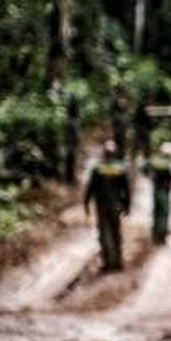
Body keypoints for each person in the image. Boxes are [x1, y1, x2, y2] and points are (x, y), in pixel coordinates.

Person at [85, 141, 130, 271]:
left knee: (105, 233)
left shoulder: (97, 168)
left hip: (102, 206)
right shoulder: (120, 168)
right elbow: (126, 189)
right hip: (116, 206)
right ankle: (118, 261)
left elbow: (90, 188)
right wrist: (127, 205)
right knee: (116, 233)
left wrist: (86, 203)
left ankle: (108, 262)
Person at [144, 142, 171, 245]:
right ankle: (161, 236)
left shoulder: (154, 160)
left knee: (156, 212)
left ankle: (155, 235)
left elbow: (145, 169)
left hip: (156, 189)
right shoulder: (169, 163)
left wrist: (151, 178)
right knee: (164, 212)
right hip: (164, 190)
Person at [64, 93, 81, 183]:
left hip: (69, 142)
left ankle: (69, 178)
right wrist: (77, 143)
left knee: (69, 161)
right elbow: (76, 134)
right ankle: (70, 179)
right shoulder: (73, 121)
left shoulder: (69, 118)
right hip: (71, 143)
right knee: (71, 161)